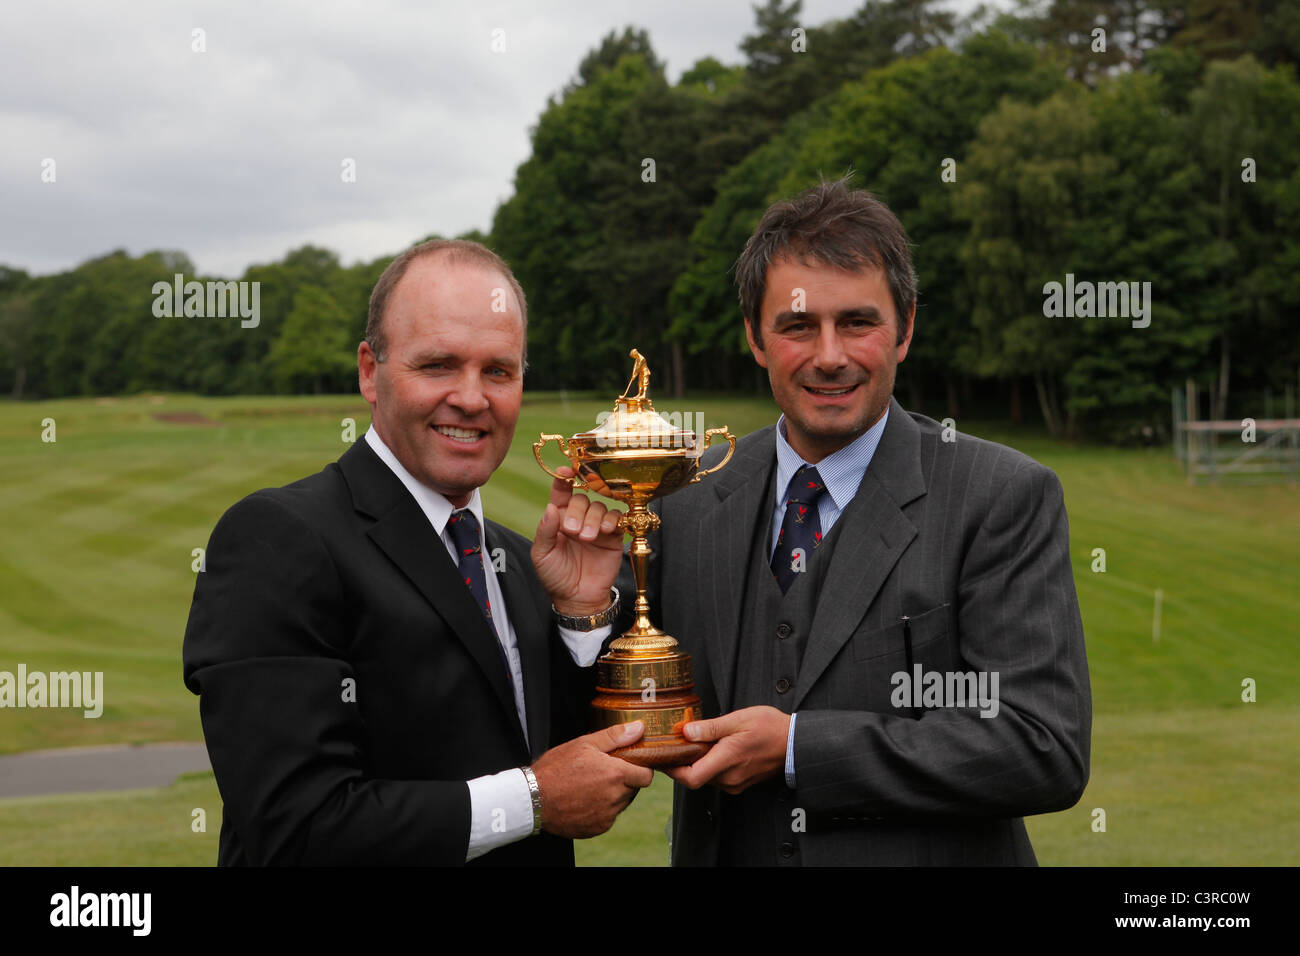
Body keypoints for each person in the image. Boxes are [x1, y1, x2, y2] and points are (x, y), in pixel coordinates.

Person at [607, 178, 1092, 865]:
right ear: (754, 336)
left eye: (857, 322)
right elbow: (611, 704)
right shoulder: (684, 496)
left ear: (906, 329)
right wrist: (580, 608)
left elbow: (1043, 745)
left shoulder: (1001, 496)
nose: (829, 356)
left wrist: (802, 748)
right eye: (798, 326)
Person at [182, 238, 652, 866]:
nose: (472, 398)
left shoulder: (518, 563)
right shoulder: (277, 538)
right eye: (437, 365)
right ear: (370, 372)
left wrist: (580, 615)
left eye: (498, 371)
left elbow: (570, 770)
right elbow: (293, 825)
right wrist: (533, 799)